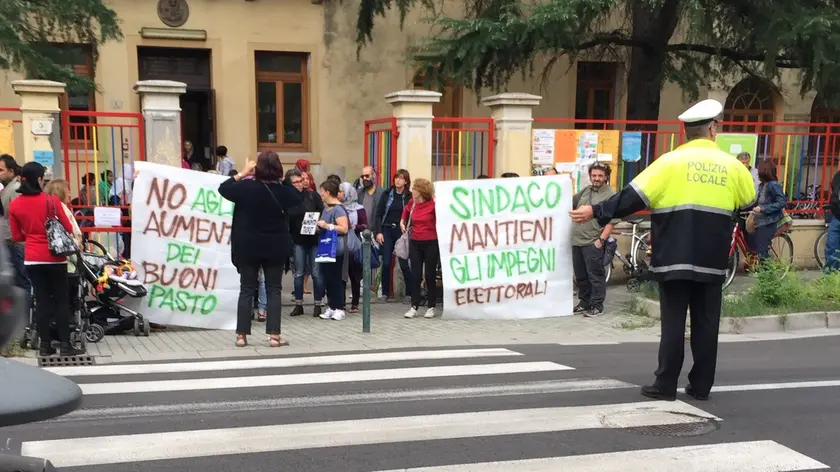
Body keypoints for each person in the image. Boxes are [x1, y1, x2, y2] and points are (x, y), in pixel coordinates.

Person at [569, 99, 756, 402]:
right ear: (713, 129)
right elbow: (749, 201)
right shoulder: (733, 167)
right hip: (712, 260)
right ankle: (701, 386)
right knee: (706, 325)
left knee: (673, 323)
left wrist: (596, 211)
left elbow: (630, 198)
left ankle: (666, 385)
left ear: (686, 132)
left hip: (673, 258)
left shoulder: (668, 163)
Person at [218, 152, 302, 348]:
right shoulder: (284, 192)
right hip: (275, 248)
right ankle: (274, 335)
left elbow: (224, 188)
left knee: (246, 289)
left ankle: (241, 335)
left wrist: (243, 172)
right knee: (274, 290)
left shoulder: (245, 188)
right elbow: (297, 198)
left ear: (257, 168)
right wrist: (282, 180)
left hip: (248, 247)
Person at [8, 162, 82, 357]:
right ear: (40, 179)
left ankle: (44, 345)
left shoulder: (15, 204)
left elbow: (16, 236)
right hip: (55, 258)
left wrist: (32, 236)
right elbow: (66, 227)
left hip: (32, 258)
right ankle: (66, 345)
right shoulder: (51, 201)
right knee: (61, 301)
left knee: (41, 301)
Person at [571, 162, 617, 317]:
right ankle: (584, 302)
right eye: (594, 175)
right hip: (577, 240)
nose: (596, 178)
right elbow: (571, 202)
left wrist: (601, 241)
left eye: (600, 176)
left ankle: (596, 305)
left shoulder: (610, 195)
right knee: (581, 276)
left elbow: (612, 221)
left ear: (606, 177)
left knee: (595, 276)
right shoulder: (586, 190)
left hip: (593, 241)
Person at [285, 169, 325, 317]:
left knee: (316, 273)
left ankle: (317, 304)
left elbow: (322, 211)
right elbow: (288, 214)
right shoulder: (289, 198)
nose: (300, 184)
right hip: (298, 239)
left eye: (301, 181)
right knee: (299, 273)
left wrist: (317, 223)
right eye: (296, 182)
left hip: (314, 239)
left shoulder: (312, 196)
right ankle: (298, 304)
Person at [401, 178, 439, 319]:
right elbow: (405, 211)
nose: (412, 191)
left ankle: (431, 306)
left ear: (421, 191)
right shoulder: (412, 203)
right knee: (415, 275)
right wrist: (402, 221)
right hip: (415, 242)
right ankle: (414, 306)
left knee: (429, 275)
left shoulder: (433, 205)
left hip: (431, 242)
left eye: (415, 188)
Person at [374, 169, 413, 302]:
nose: (398, 180)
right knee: (386, 262)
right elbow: (378, 214)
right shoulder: (387, 194)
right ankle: (385, 292)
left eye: (401, 178)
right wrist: (378, 232)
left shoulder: (409, 196)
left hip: (401, 231)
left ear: (406, 181)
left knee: (404, 263)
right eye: (396, 177)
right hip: (387, 230)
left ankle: (409, 292)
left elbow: (411, 214)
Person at [316, 180, 350, 321]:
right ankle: (332, 306)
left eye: (322, 191)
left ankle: (339, 308)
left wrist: (328, 226)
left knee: (336, 278)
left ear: (328, 192)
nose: (321, 194)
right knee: (327, 277)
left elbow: (344, 228)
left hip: (336, 248)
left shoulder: (339, 209)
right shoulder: (326, 208)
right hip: (325, 248)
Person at [0, 155, 29, 303]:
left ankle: (27, 318)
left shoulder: (15, 189)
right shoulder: (8, 189)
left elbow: (20, 216)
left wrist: (14, 237)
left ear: (11, 171)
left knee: (22, 283)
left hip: (16, 243)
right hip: (10, 242)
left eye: (1, 170)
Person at [751, 160, 787, 262]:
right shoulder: (762, 185)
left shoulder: (773, 185)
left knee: (762, 253)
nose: (757, 172)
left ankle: (767, 275)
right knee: (758, 248)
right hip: (759, 221)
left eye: (759, 170)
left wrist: (763, 208)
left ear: (765, 171)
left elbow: (781, 202)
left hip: (768, 222)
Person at [340, 182, 368, 312]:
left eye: (343, 191)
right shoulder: (338, 207)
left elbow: (365, 225)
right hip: (341, 244)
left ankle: (355, 303)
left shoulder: (359, 208)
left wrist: (354, 227)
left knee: (355, 274)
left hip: (355, 244)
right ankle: (341, 302)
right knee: (341, 274)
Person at [826, 169, 840, 271]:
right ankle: (829, 276)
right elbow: (834, 194)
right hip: (837, 216)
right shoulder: (837, 176)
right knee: (831, 246)